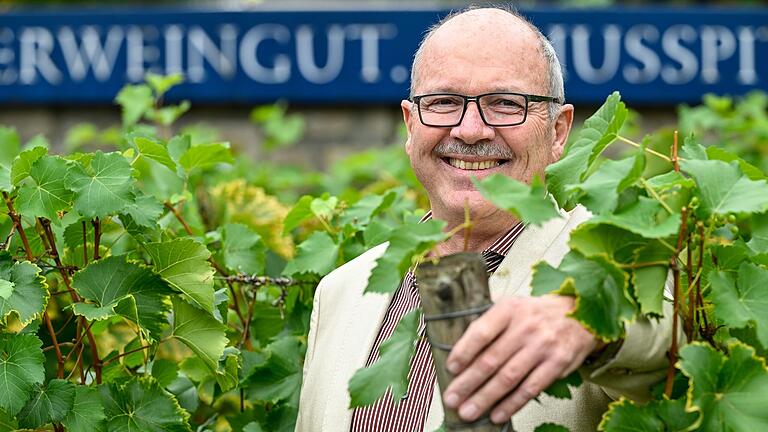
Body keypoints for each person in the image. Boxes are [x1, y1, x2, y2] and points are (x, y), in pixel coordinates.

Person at [296, 6, 675, 432]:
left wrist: (591, 320)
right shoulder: (341, 291)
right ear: (409, 125)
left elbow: (670, 345)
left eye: (505, 103)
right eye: (443, 102)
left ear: (558, 132)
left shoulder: (620, 256)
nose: (471, 130)